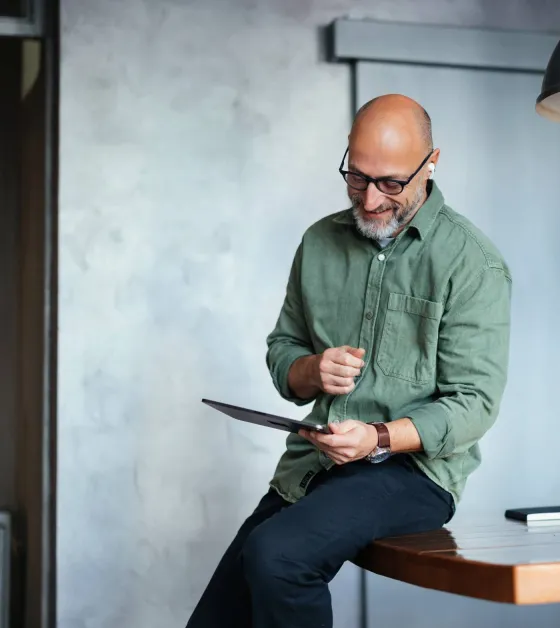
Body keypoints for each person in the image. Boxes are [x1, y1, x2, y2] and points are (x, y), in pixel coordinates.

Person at [186, 94, 512, 628]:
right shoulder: (318, 243)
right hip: (315, 466)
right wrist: (311, 369)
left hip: (413, 471)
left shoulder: (472, 263)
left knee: (278, 557)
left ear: (431, 163)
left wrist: (378, 437)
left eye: (390, 183)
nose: (371, 199)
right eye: (357, 178)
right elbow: (282, 351)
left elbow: (474, 404)